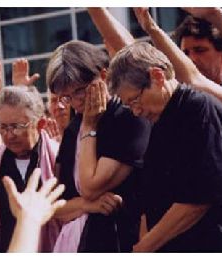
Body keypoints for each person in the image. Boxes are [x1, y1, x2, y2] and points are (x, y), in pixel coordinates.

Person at [108, 41, 222, 252]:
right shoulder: (159, 119)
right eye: (129, 105)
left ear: (157, 76)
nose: (136, 111)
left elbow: (197, 200)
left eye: (135, 101)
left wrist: (143, 248)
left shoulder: (198, 110)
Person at [46, 40, 151, 252]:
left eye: (80, 91)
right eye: (66, 96)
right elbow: (54, 205)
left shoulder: (129, 117)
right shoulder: (74, 127)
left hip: (124, 240)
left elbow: (90, 186)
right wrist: (86, 205)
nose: (75, 102)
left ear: (103, 76)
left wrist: (89, 126)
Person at [0, 86, 61, 252]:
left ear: (40, 123)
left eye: (17, 126)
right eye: (3, 127)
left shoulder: (58, 158)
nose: (9, 135)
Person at [133, 7, 222, 121]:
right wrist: (150, 28)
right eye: (185, 53)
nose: (191, 58)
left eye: (200, 50)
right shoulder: (188, 99)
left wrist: (214, 14)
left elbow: (192, 79)